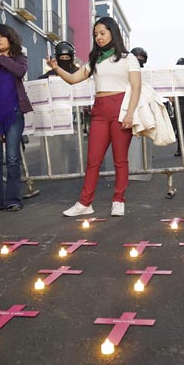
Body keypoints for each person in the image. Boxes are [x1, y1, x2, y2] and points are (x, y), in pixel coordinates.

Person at [53, 16, 142, 217]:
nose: (99, 38)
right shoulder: (95, 59)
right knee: (93, 159)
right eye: (95, 35)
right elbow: (74, 79)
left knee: (120, 159)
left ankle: (118, 200)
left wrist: (130, 113)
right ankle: (85, 203)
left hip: (121, 108)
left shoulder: (129, 58)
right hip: (100, 110)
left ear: (112, 32)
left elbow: (136, 87)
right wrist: (57, 69)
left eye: (102, 33)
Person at [0, 24, 32, 212]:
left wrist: (1, 58)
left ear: (9, 38)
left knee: (12, 157)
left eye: (0, 37)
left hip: (14, 112)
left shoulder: (19, 57)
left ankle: (14, 198)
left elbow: (20, 71)